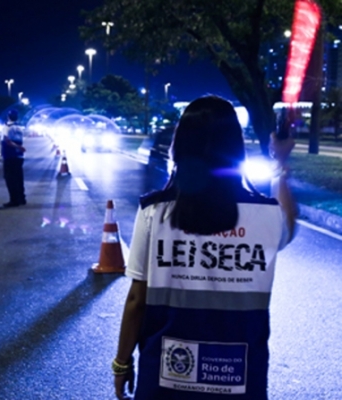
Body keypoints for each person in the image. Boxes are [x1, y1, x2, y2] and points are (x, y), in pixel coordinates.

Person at [113, 95, 297, 400]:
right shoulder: (266, 214)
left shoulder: (154, 212)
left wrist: (122, 363)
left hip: (164, 375)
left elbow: (137, 300)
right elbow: (288, 225)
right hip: (240, 379)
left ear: (180, 146)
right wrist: (281, 162)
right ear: (236, 149)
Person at [0, 109, 26, 207]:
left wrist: (18, 147)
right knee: (19, 177)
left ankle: (14, 200)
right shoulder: (20, 127)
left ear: (8, 116)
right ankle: (22, 198)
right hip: (19, 156)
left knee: (10, 178)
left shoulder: (6, 127)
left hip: (9, 155)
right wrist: (19, 148)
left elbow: (7, 141)